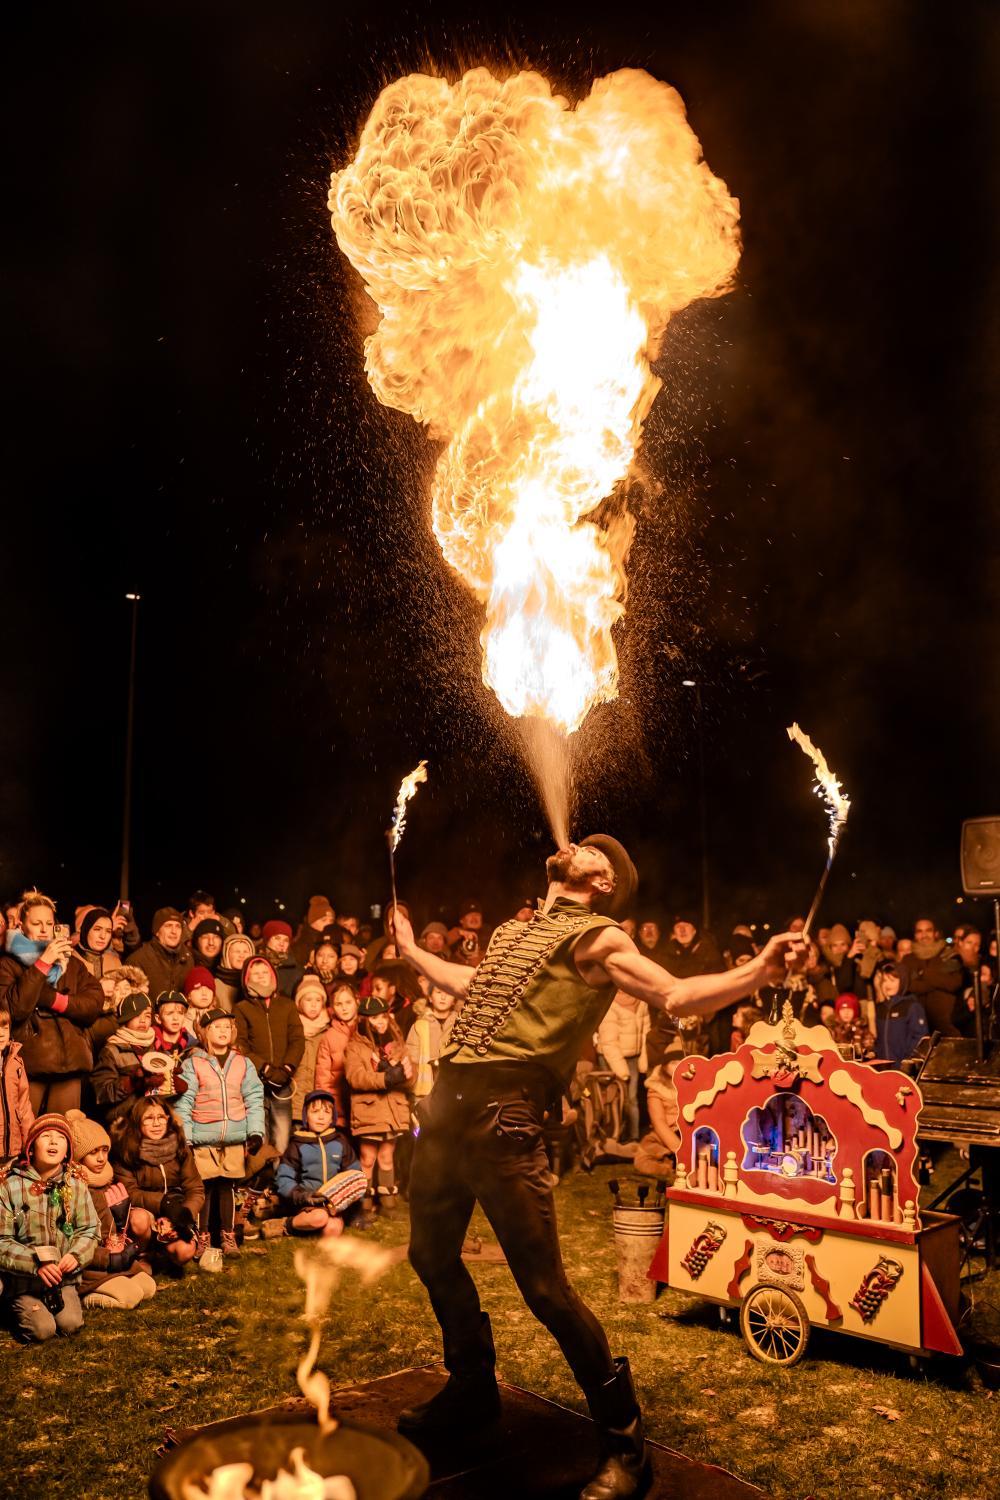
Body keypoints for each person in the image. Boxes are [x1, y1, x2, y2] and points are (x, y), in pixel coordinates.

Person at [391, 836, 803, 1500]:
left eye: (594, 850)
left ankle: (623, 1436)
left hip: (507, 1115)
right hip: (448, 1108)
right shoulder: (515, 933)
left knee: (546, 1291)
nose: (576, 844)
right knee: (430, 1255)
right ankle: (471, 1392)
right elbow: (471, 982)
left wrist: (758, 970)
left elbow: (675, 994)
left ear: (605, 882)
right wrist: (412, 950)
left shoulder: (600, 938)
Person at [0, 889, 106, 1113]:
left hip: (70, 1064)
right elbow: (14, 1010)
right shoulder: (7, 964)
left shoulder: (70, 963)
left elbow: (94, 1003)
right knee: (25, 1135)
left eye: (48, 923)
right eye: (36, 923)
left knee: (65, 1136)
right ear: (21, 925)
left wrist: (55, 1000)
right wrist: (43, 963)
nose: (43, 929)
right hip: (30, 1065)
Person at [0, 1113, 99, 1342]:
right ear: (31, 1147)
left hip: (61, 1279)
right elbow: (2, 1240)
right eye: (46, 1136)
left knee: (70, 1324)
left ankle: (60, 1300)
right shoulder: (10, 1186)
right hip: (24, 1282)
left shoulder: (75, 1185)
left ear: (67, 1151)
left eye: (61, 1138)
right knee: (42, 1330)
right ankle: (11, 1306)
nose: (54, 1141)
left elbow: (90, 1229)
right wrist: (36, 1264)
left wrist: (76, 1255)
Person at [175, 1010, 264, 1260]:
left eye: (227, 1027)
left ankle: (227, 1235)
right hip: (204, 1137)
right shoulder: (194, 1063)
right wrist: (187, 1137)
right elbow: (185, 1102)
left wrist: (255, 1131)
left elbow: (254, 1097)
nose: (223, 1031)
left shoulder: (242, 1063)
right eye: (216, 1027)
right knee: (204, 1187)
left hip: (234, 1137)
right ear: (204, 1032)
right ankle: (202, 1235)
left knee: (227, 1186)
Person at [64, 1109, 157, 1312]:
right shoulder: (72, 1188)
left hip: (114, 1258)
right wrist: (107, 1257)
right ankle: (84, 1298)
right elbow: (72, 1241)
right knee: (130, 1298)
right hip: (92, 1265)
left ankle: (115, 1283)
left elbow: (115, 1234)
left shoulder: (107, 1180)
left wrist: (122, 1222)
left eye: (104, 1150)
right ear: (78, 1156)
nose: (101, 1159)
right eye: (93, 1152)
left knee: (149, 1288)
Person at [113, 1096, 203, 1268]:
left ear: (168, 1119)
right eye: (149, 1118)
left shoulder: (180, 1147)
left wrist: (179, 1217)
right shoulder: (125, 1150)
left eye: (161, 1117)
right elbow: (130, 1193)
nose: (156, 1123)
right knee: (138, 1220)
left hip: (176, 1212)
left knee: (185, 1251)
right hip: (146, 1215)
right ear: (137, 1121)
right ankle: (143, 1255)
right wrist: (163, 1203)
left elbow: (195, 1189)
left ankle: (163, 1256)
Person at [344, 994, 413, 1213]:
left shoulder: (396, 1044)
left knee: (386, 1156)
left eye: (383, 1016)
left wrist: (404, 1076)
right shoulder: (355, 1046)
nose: (380, 1021)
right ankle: (364, 1202)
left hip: (393, 1111)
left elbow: (411, 1075)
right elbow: (356, 1077)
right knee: (368, 1157)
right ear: (364, 1020)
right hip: (370, 1111)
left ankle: (387, 1201)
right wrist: (385, 1078)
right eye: (374, 1018)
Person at [234, 956, 304, 1155]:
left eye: (265, 972)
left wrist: (288, 1068)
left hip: (283, 1080)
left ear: (273, 976)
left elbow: (297, 1039)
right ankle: (259, 1181)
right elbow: (240, 1043)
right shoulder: (241, 1008)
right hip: (255, 1081)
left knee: (282, 1135)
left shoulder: (287, 1005)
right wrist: (263, 1067)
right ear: (247, 979)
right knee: (258, 1133)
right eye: (256, 974)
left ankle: (279, 1179)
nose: (261, 977)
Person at [274, 1089, 366, 1237]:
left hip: (333, 1206)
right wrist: (302, 1196)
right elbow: (284, 1179)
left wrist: (356, 1207)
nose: (321, 1117)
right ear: (306, 1116)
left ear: (332, 1118)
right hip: (307, 1203)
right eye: (315, 1111)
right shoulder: (297, 1145)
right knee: (319, 1218)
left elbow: (355, 1174)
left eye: (327, 1112)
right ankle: (286, 1225)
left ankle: (314, 1238)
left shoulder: (340, 1143)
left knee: (333, 1228)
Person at [596, 992, 650, 1143]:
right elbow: (609, 1042)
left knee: (631, 1098)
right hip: (610, 1056)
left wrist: (643, 1059)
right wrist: (622, 1072)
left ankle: (633, 1136)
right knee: (615, 1098)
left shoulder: (641, 1001)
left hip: (633, 1055)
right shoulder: (611, 1005)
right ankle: (613, 1136)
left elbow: (646, 1031)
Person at [898, 918, 963, 1036]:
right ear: (915, 935)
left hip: (946, 1024)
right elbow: (906, 985)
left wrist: (923, 974)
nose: (924, 935)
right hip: (916, 1024)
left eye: (928, 930)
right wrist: (938, 979)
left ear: (935, 933)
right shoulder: (908, 960)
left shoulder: (947, 955)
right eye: (919, 931)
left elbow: (954, 983)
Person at [314, 984, 359, 1128]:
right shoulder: (329, 1036)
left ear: (357, 1002)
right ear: (332, 1007)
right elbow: (323, 1076)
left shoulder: (366, 1029)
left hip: (366, 1107)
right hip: (339, 1107)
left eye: (348, 1002)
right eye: (339, 1004)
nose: (344, 1008)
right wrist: (325, 1106)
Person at [873, 960, 929, 1065]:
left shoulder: (912, 1006)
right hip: (883, 1069)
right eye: (884, 980)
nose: (887, 984)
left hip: (903, 1069)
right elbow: (879, 1040)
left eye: (892, 980)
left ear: (902, 981)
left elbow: (920, 1040)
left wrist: (906, 1063)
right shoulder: (881, 1008)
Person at [291, 974, 331, 1122]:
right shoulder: (292, 1028)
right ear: (299, 1003)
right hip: (295, 1098)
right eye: (308, 1000)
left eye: (318, 1000)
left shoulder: (328, 1031)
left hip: (320, 1102)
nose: (314, 1004)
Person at [131, 908, 192, 998]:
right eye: (168, 926)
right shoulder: (138, 961)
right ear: (157, 931)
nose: (174, 931)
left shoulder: (188, 959)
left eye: (178, 926)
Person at [0, 998, 33, 1161]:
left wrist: (29, 1144)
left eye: (4, 1028)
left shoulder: (16, 1062)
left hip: (14, 1149)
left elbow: (24, 1107)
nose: (1, 1034)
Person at [74, 907, 123, 994]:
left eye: (108, 931)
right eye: (97, 929)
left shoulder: (115, 962)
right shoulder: (70, 959)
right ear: (86, 929)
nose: (103, 936)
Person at [258, 920, 303, 999]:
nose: (281, 944)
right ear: (267, 940)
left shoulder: (296, 971)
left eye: (286, 940)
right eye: (277, 938)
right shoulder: (254, 965)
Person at [291, 896, 337, 970]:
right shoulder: (301, 946)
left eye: (331, 921)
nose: (328, 924)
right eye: (324, 920)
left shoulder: (333, 940)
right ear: (312, 922)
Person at [215, 934, 254, 1010]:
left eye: (245, 951)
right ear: (226, 955)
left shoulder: (258, 982)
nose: (241, 955)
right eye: (237, 951)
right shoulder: (216, 985)